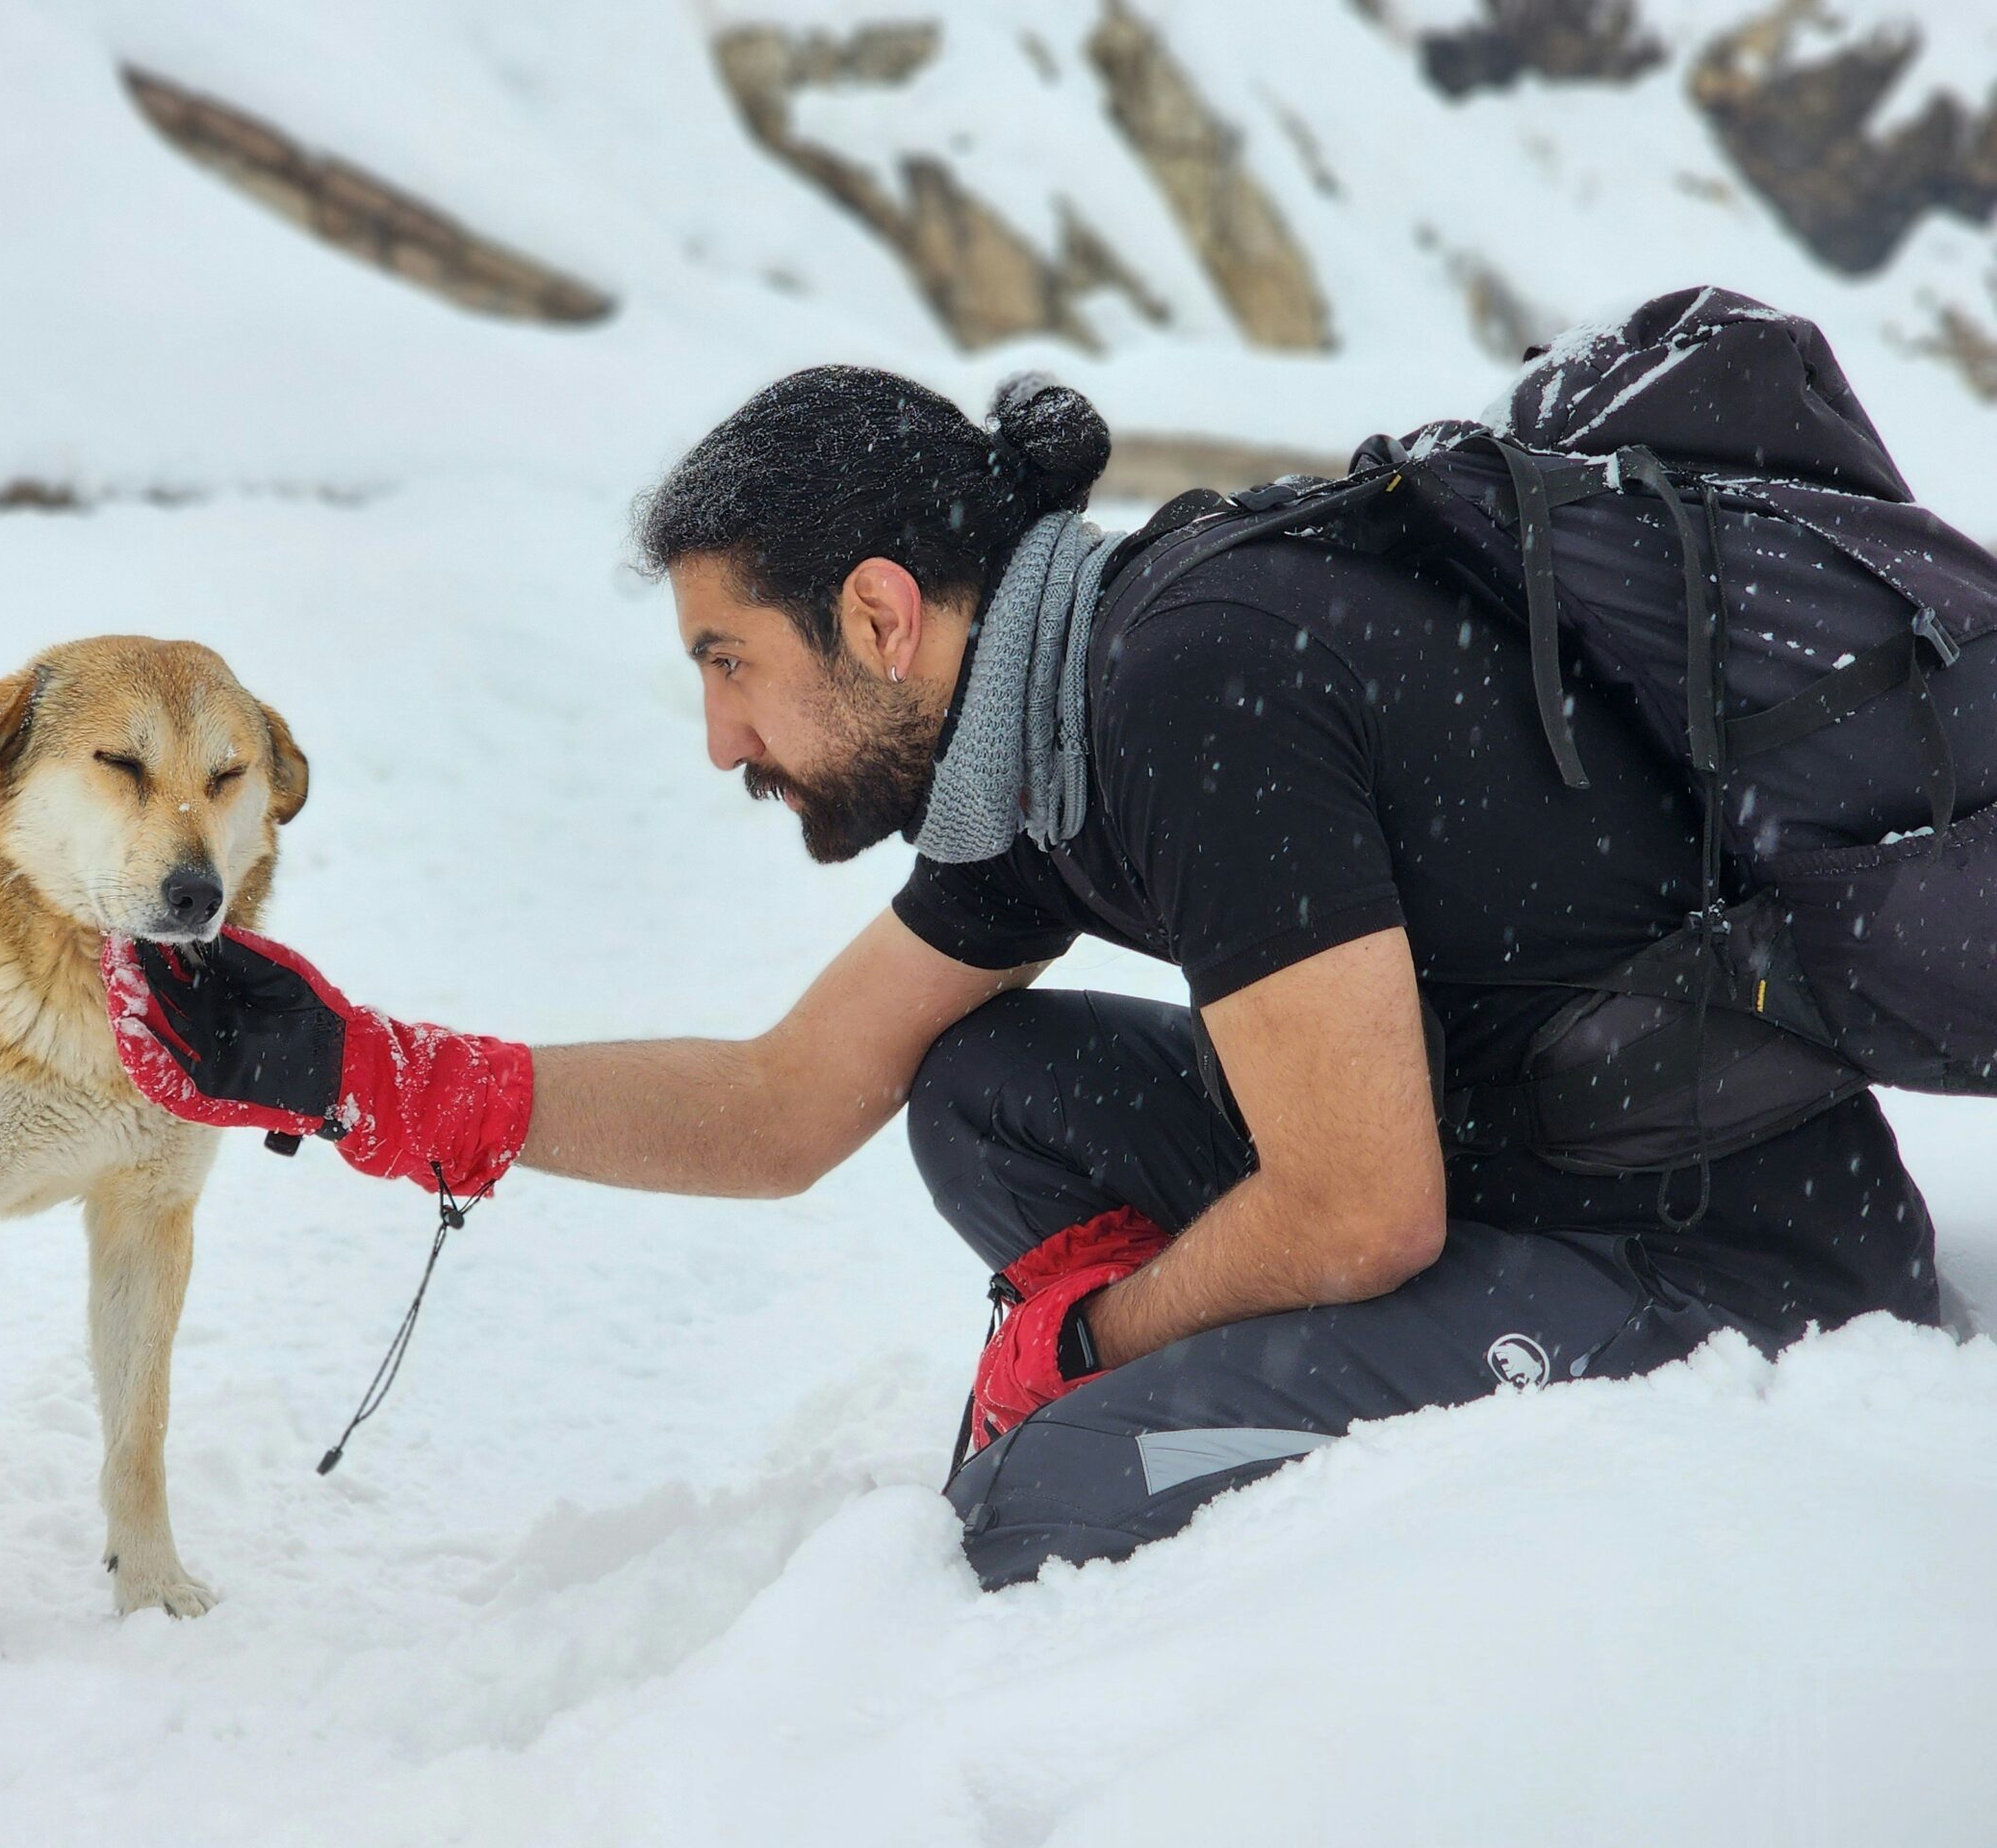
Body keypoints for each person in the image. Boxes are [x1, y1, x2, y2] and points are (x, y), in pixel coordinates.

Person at [105, 367, 1940, 1588]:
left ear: (883, 618)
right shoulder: (1046, 734)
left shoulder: (1195, 689)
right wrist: (368, 1072)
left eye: (732, 663)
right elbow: (783, 1102)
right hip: (1502, 1154)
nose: (722, 739)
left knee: (1041, 1508)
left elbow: (1360, 1208)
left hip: (1726, 1260)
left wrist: (1089, 1343)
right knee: (985, 1090)